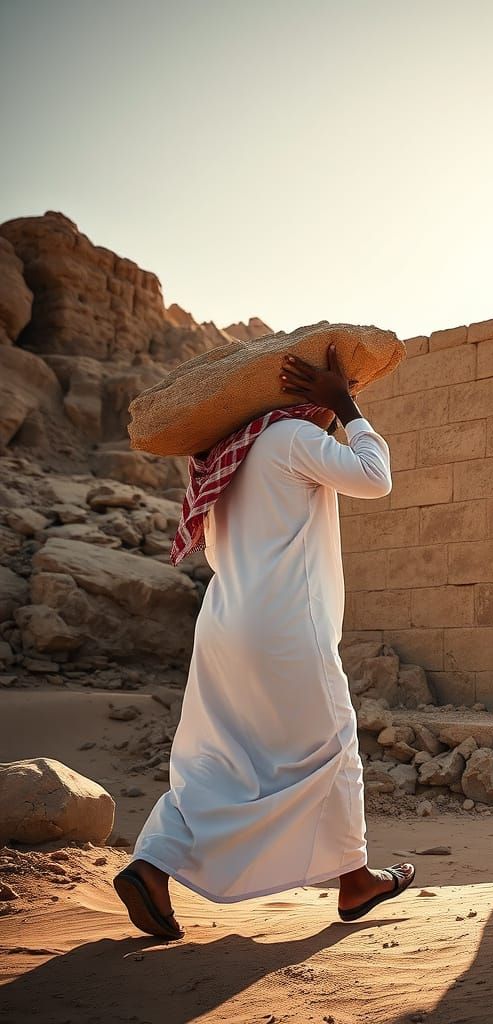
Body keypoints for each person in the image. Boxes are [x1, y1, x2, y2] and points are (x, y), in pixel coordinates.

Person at [114, 344, 415, 940]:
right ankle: (355, 880)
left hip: (224, 626)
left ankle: (152, 865)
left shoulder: (226, 455)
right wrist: (346, 406)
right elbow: (375, 478)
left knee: (217, 758)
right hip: (285, 626)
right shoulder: (289, 438)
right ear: (305, 394)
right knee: (333, 745)